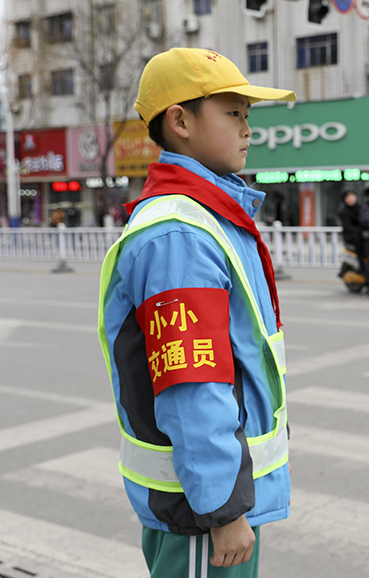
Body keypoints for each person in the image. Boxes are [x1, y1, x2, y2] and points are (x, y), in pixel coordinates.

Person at [97, 48, 295, 577]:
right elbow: (193, 383)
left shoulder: (212, 216)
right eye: (233, 113)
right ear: (180, 120)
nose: (248, 128)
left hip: (217, 499)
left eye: (247, 115)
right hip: (201, 513)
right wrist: (223, 509)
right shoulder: (179, 234)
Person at [338, 189, 363, 267]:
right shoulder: (343, 212)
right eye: (348, 196)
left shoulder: (361, 208)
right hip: (352, 236)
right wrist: (361, 232)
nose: (351, 198)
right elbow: (348, 226)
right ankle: (361, 265)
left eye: (352, 195)